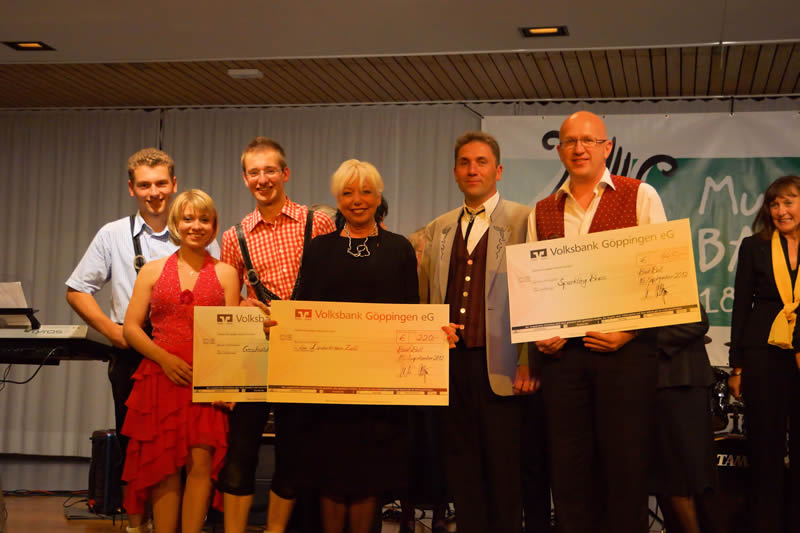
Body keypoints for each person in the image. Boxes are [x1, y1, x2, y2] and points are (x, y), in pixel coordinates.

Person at [285, 158, 457, 533]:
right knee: (331, 476)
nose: (357, 200)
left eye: (366, 192)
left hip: (380, 392)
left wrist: (434, 334)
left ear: (379, 197)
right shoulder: (319, 249)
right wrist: (278, 325)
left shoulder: (398, 249)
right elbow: (300, 309)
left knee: (369, 478)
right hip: (328, 390)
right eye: (348, 193)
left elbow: (411, 312)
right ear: (337, 198)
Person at [65, 148, 219, 533]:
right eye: (145, 185)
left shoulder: (198, 231)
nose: (154, 192)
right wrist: (114, 331)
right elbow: (77, 289)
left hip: (194, 353)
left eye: (161, 183)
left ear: (174, 184)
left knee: (190, 451)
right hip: (135, 351)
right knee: (139, 449)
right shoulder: (113, 234)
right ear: (132, 188)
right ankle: (138, 526)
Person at [528, 111, 666, 533]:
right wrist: (541, 334)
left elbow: (661, 273)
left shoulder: (640, 195)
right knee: (569, 471)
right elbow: (535, 286)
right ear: (559, 150)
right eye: (570, 141)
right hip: (563, 362)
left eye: (588, 140)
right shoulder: (542, 211)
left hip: (625, 354)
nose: (579, 148)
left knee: (625, 469)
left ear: (607, 147)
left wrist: (629, 331)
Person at [419, 130, 536, 533]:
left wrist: (528, 361)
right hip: (453, 369)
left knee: (505, 474)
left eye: (481, 162)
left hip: (504, 369)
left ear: (498, 171)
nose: (473, 170)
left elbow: (537, 295)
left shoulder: (524, 220)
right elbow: (427, 298)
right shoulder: (439, 228)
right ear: (455, 172)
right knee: (462, 471)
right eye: (465, 163)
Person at [217, 137, 335, 533]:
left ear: (285, 173)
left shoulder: (317, 222)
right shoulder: (235, 236)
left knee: (293, 452)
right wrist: (244, 308)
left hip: (306, 351)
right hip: (255, 350)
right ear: (245, 178)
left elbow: (334, 283)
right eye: (254, 172)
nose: (262, 179)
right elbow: (228, 299)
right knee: (240, 450)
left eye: (270, 170)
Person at [121, 189, 239, 533]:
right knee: (164, 467)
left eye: (204, 219)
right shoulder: (152, 271)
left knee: (200, 465)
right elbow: (131, 328)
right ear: (175, 223)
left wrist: (227, 385)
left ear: (214, 226)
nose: (196, 226)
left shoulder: (227, 274)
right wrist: (164, 360)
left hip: (206, 379)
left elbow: (233, 335)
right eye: (188, 218)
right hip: (162, 377)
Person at [728, 174, 800, 533]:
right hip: (762, 355)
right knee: (764, 446)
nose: (780, 210)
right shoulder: (754, 246)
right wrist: (737, 367)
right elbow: (742, 305)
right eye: (774, 204)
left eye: (788, 202)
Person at [652, 305, 716, 533]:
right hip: (645, 383)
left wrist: (639, 338)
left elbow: (697, 321)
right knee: (662, 477)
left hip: (679, 382)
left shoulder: (673, 282)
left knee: (684, 477)